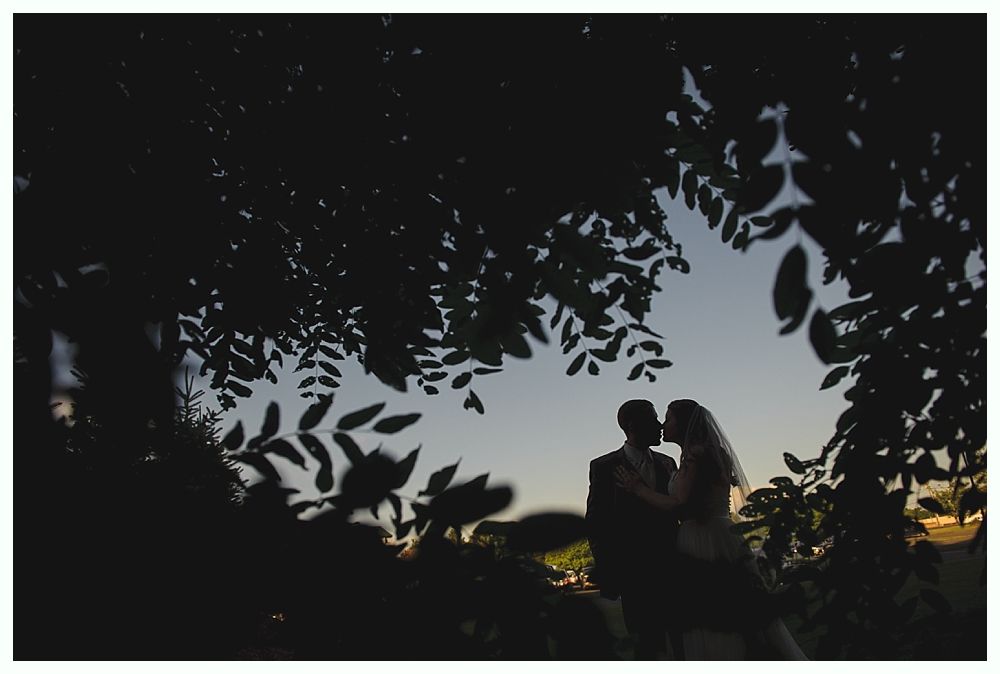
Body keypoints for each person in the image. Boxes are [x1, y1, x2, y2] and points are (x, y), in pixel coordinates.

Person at [614, 399, 808, 660]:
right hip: (719, 535)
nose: (663, 424)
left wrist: (638, 489)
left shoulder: (695, 455)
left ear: (683, 424)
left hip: (703, 539)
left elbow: (679, 504)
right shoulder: (697, 454)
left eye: (668, 418)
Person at [585, 399, 684, 660]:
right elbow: (596, 523)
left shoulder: (668, 462)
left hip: (673, 569)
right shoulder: (603, 466)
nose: (660, 425)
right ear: (632, 425)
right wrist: (610, 572)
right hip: (634, 576)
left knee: (682, 641)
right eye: (653, 419)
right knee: (646, 646)